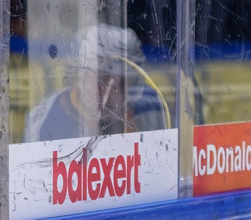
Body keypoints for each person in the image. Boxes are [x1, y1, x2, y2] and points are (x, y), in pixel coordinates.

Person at [24, 23, 169, 142]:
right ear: (79, 76)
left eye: (122, 83)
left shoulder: (152, 110)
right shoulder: (46, 120)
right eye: (101, 80)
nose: (111, 92)